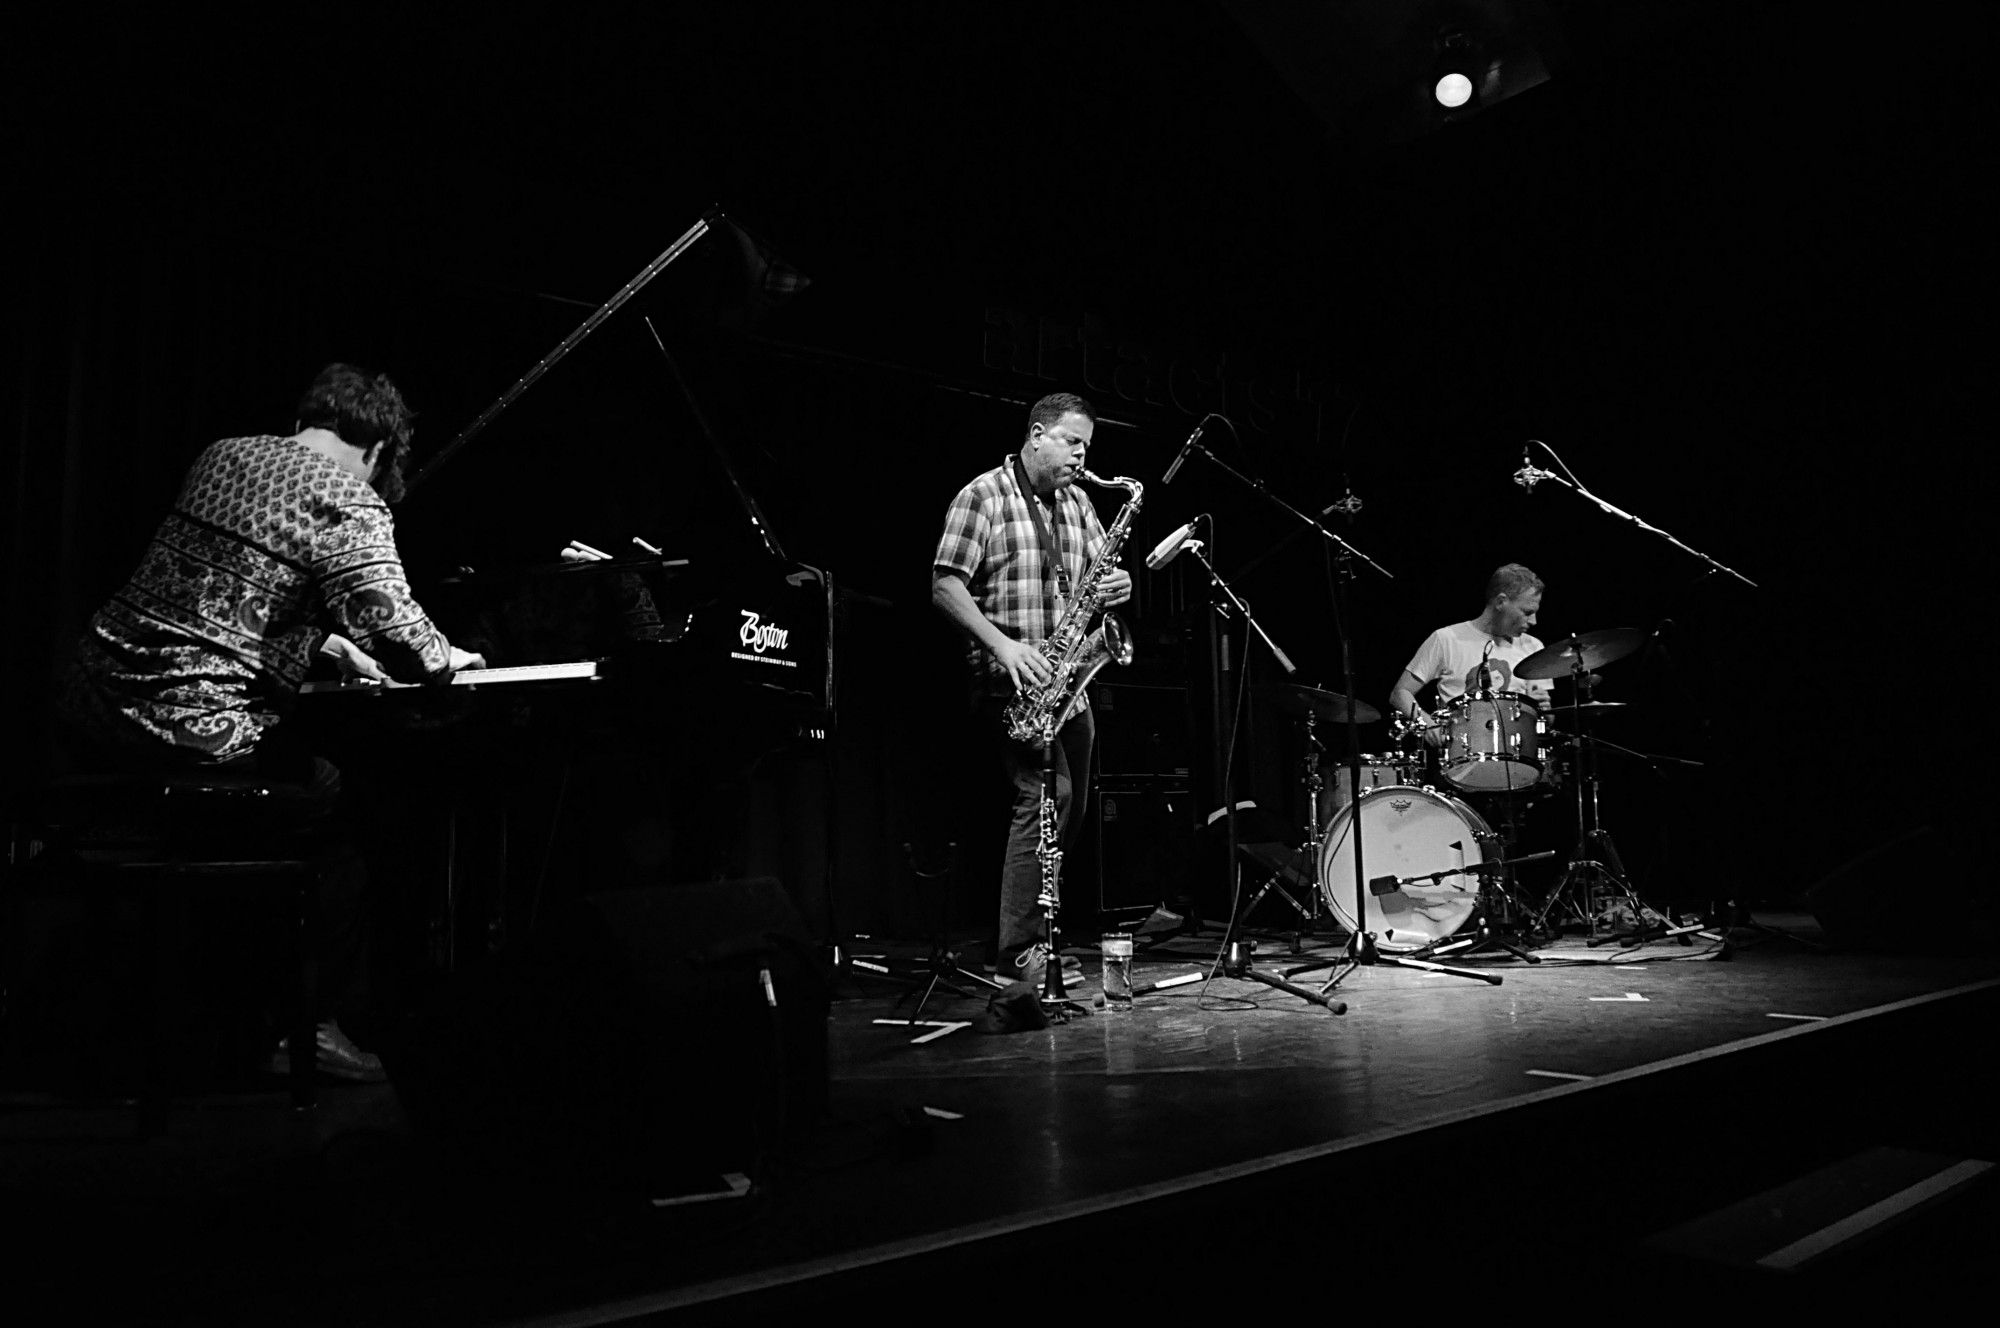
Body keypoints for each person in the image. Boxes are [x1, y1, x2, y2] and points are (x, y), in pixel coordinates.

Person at [59, 363, 484, 1080]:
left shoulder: (222, 454)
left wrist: (315, 642)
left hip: (95, 701)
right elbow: (399, 633)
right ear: (379, 449)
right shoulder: (347, 495)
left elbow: (209, 600)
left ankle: (214, 1012)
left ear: (305, 421)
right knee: (341, 810)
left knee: (263, 808)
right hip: (189, 727)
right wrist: (453, 658)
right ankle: (308, 1030)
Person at [931, 392, 1133, 989]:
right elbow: (944, 586)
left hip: (1072, 682)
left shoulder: (1078, 505)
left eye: (1087, 447)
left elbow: (1098, 577)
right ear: (1037, 433)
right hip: (1012, 681)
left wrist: (1116, 584)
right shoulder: (983, 496)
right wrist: (1003, 646)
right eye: (1072, 442)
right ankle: (1017, 953)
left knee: (1068, 816)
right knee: (1045, 802)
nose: (1080, 456)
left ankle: (1044, 938)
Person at [1389, 563, 1551, 740]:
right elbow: (1400, 693)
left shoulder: (1533, 647)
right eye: (1527, 612)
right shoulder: (1446, 639)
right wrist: (1430, 727)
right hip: (1461, 753)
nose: (1534, 621)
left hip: (1516, 752)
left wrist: (1545, 711)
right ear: (1500, 601)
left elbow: (1548, 721)